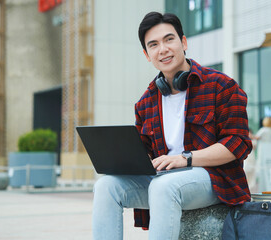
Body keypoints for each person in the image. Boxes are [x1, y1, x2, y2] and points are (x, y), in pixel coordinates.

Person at [92, 12, 252, 240]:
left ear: (183, 42)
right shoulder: (145, 102)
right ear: (147, 55)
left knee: (163, 187)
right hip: (163, 179)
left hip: (213, 178)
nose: (163, 49)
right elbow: (145, 151)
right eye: (154, 45)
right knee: (105, 186)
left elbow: (237, 144)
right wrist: (125, 161)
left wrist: (186, 158)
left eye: (169, 39)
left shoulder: (221, 86)